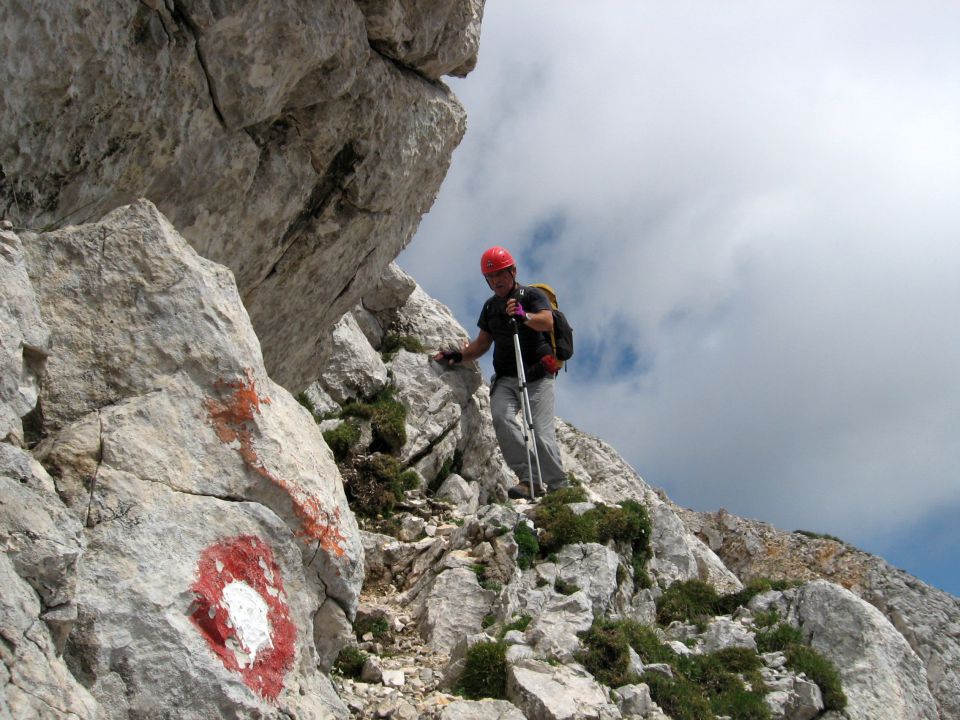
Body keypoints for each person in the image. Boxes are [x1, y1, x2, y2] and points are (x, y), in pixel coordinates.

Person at [433, 246, 567, 499]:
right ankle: (529, 479)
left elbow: (546, 321)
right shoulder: (490, 308)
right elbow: (482, 343)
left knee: (539, 429)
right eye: (491, 277)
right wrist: (459, 355)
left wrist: (523, 315)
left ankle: (559, 487)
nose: (496, 281)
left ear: (513, 271)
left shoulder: (531, 295)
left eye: (501, 275)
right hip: (506, 376)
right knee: (501, 419)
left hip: (538, 374)